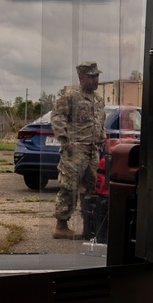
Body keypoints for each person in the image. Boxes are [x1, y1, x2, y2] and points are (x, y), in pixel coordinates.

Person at [51, 61, 106, 239]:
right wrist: (65, 140)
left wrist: (102, 138)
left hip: (92, 151)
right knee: (69, 188)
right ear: (81, 77)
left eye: (97, 76)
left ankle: (89, 226)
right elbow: (57, 117)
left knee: (92, 189)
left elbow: (100, 121)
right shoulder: (71, 96)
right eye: (91, 77)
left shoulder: (98, 99)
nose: (95, 80)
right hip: (75, 151)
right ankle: (61, 226)